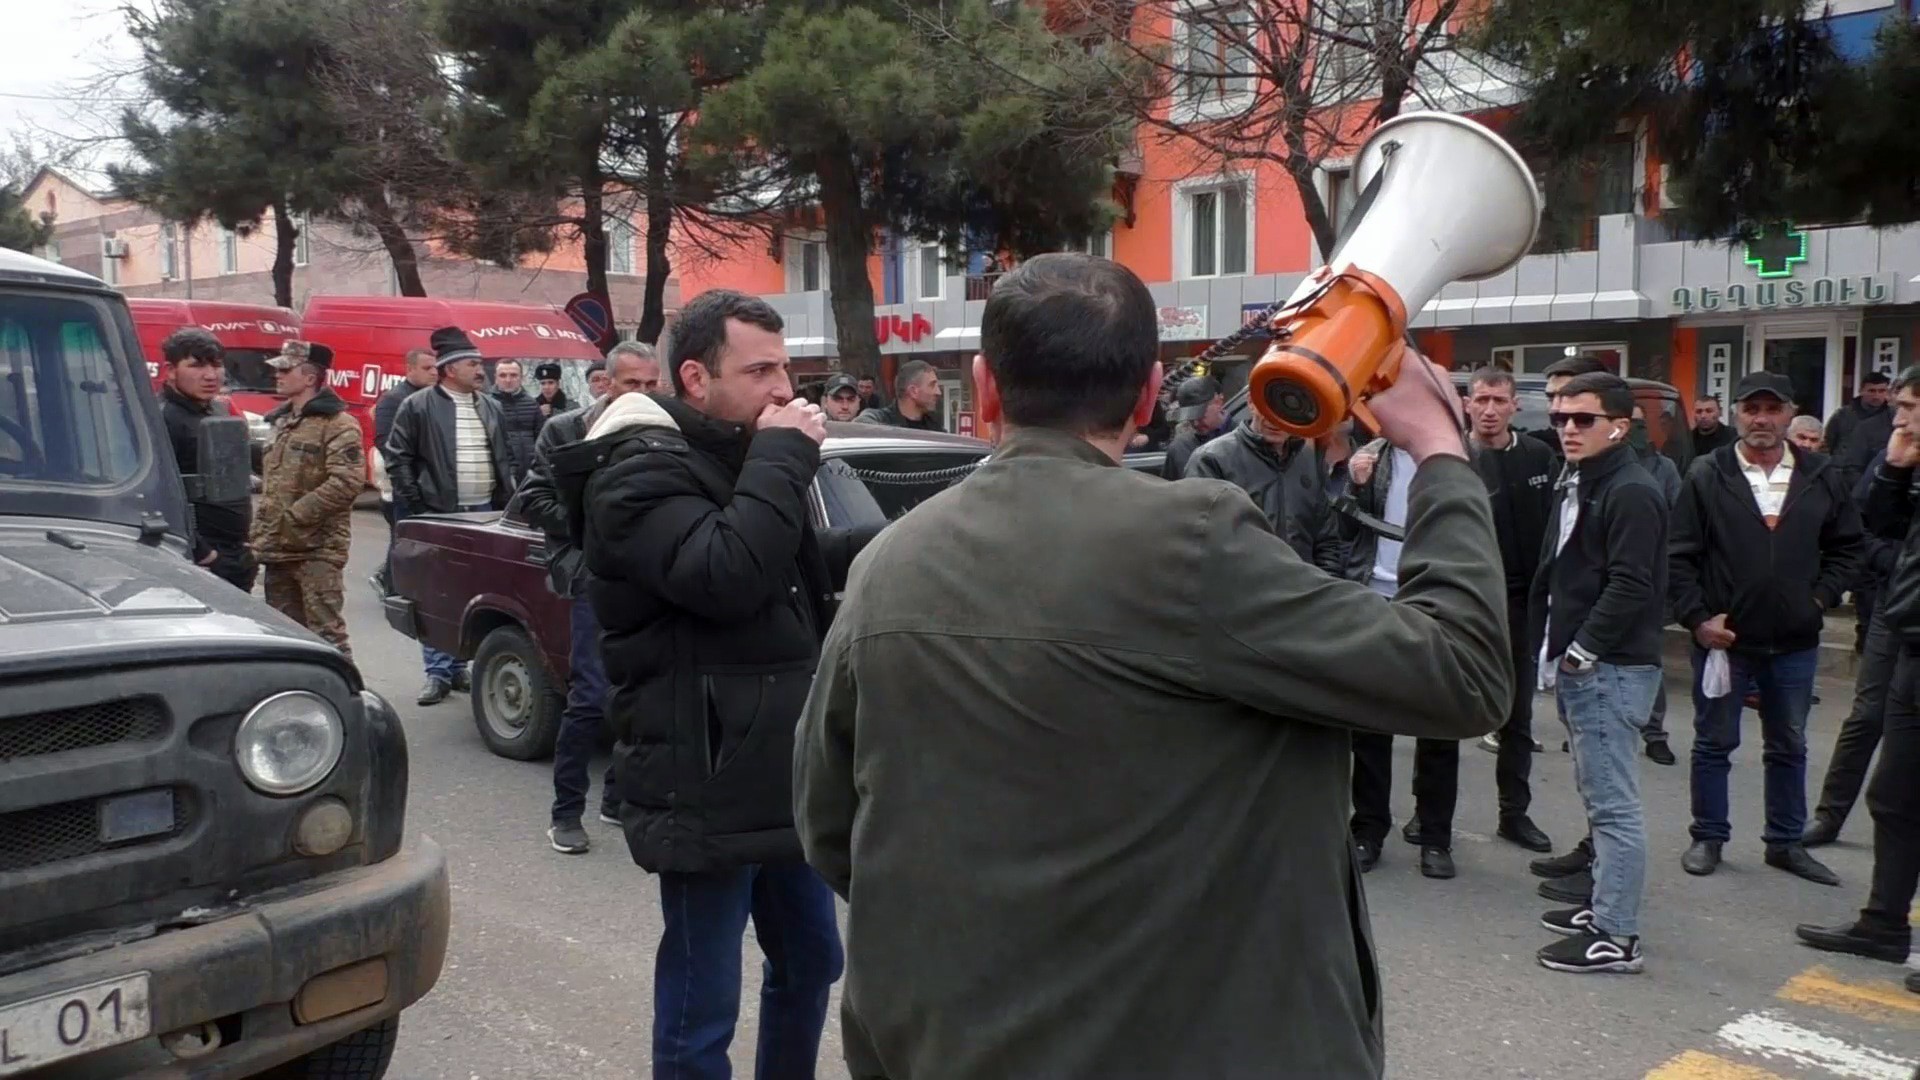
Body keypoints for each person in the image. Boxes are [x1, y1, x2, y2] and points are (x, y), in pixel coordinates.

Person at [793, 253, 1509, 1078]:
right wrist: (1438, 447)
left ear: (985, 387)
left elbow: (830, 826)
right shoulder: (1196, 542)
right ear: (1147, 394)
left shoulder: (887, 561)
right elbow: (1465, 673)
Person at [567, 290, 874, 1079]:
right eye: (760, 371)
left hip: (780, 769)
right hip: (702, 776)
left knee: (812, 961)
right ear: (696, 379)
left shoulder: (737, 461)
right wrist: (782, 457)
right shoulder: (637, 471)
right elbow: (725, 573)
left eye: (786, 369)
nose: (784, 389)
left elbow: (784, 570)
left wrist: (881, 543)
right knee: (702, 1005)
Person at [1671, 370, 1863, 886]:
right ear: (1736, 414)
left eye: (1772, 409)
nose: (1761, 419)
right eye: (1751, 409)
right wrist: (1697, 619)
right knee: (1714, 743)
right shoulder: (1707, 474)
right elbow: (1678, 556)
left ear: (1789, 414)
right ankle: (1708, 836)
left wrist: (1818, 600)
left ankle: (1784, 843)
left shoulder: (1821, 474)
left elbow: (1849, 549)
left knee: (1789, 745)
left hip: (1795, 642)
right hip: (1725, 641)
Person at [1529, 372, 1669, 974]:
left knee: (1614, 807)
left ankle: (1617, 936)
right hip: (1589, 664)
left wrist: (1582, 651)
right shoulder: (1585, 478)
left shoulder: (1631, 490)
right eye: (1559, 418)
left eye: (1582, 419)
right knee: (1598, 797)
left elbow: (1632, 583)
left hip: (1609, 668)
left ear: (1620, 424)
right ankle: (1605, 908)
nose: (1567, 429)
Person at [1794, 369, 1920, 998]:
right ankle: (1883, 924)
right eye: (1898, 407)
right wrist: (1894, 469)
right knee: (1894, 796)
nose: (1898, 419)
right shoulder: (1904, 455)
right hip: (1908, 637)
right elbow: (1873, 521)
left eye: (1910, 408)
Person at [510, 341, 663, 855]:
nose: (642, 393)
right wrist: (595, 529)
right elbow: (532, 498)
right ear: (607, 382)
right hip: (589, 573)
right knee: (590, 696)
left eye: (650, 384)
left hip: (646, 575)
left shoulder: (666, 428)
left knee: (639, 692)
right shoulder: (567, 430)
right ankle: (566, 813)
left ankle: (616, 799)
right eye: (631, 383)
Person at [386, 326, 515, 706]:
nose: (480, 370)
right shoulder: (418, 406)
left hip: (488, 514)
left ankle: (459, 666)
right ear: (449, 369)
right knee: (437, 593)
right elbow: (398, 458)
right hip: (441, 514)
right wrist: (419, 507)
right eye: (472, 363)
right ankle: (438, 672)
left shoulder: (490, 405)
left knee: (475, 592)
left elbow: (506, 457)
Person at [1460, 367, 1558, 853]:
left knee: (1517, 717)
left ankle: (1514, 814)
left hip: (1521, 604)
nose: (1490, 410)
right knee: (1443, 709)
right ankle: (1430, 818)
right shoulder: (1451, 457)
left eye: (1499, 400)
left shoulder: (1539, 456)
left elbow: (1556, 530)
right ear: (1467, 405)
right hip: (1462, 599)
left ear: (1515, 405)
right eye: (1481, 400)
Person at [1806, 446, 1908, 847]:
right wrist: (1896, 563)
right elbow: (1858, 526)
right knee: (1867, 715)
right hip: (1897, 602)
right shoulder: (1897, 455)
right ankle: (1829, 816)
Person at [252, 341, 364, 658]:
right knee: (283, 636)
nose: (277, 375)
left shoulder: (338, 424)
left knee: (327, 638)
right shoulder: (281, 421)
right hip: (278, 547)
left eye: (286, 369)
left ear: (310, 377)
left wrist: (295, 516)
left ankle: (341, 689)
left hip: (317, 549)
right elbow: (273, 482)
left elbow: (346, 481)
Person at [1184, 407, 1344, 574]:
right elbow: (1196, 541)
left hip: (1301, 586)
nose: (1276, 420)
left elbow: (1327, 541)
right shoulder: (1212, 459)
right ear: (1251, 402)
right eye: (1269, 407)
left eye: (1286, 408)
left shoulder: (1307, 460)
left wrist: (1322, 584)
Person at [158, 327, 256, 591]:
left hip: (234, 552)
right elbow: (160, 498)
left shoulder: (217, 410)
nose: (211, 375)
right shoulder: (164, 419)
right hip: (198, 559)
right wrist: (205, 554)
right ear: (171, 370)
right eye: (197, 366)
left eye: (216, 365)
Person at [1629, 403, 1684, 767]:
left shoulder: (1663, 468)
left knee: (1648, 658)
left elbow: (1680, 519)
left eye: (1638, 423)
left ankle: (1654, 733)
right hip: (1604, 578)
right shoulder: (1598, 464)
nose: (1633, 430)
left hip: (1650, 578)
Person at [371, 346, 438, 595]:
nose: (434, 372)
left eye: (436, 367)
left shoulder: (436, 397)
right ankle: (392, 588)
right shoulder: (394, 400)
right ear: (410, 369)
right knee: (404, 541)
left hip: (432, 485)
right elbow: (386, 443)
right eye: (427, 368)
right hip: (406, 486)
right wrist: (411, 475)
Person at [1160, 374, 1226, 479]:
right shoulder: (1179, 448)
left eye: (1200, 415)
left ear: (1218, 401)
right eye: (1190, 417)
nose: (1195, 423)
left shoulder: (1243, 442)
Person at [490, 359, 544, 484]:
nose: (508, 380)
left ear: (521, 378)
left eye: (513, 375)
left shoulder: (532, 404)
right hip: (500, 474)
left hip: (530, 471)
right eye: (503, 375)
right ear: (495, 378)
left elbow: (541, 438)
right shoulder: (488, 405)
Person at [856, 359, 944, 430]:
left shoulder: (934, 427)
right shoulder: (878, 418)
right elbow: (860, 424)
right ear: (913, 391)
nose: (938, 392)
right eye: (932, 385)